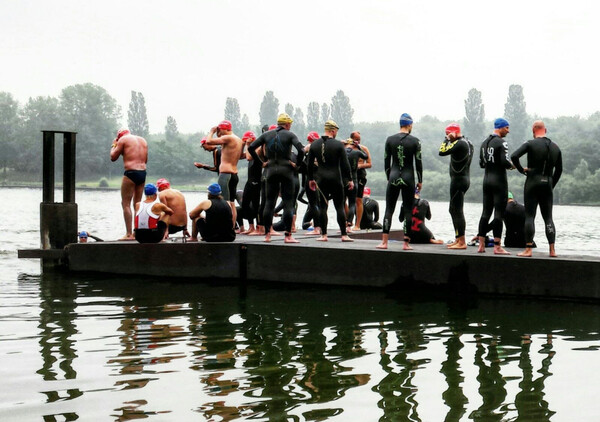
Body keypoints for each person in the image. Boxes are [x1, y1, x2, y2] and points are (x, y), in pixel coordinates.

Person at [248, 113, 304, 243]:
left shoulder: (266, 135)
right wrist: (297, 165)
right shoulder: (290, 135)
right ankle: (288, 236)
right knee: (288, 202)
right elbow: (301, 150)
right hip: (286, 169)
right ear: (288, 124)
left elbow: (251, 148)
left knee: (269, 202)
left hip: (271, 169)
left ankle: (267, 235)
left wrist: (261, 162)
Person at [511, 120, 563, 257]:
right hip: (547, 183)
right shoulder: (555, 147)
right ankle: (552, 250)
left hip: (532, 182)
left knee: (530, 216)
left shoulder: (530, 143)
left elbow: (514, 156)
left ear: (534, 130)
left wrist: (522, 170)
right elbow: (559, 170)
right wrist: (551, 184)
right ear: (545, 130)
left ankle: (528, 249)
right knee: (548, 218)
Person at [377, 113, 423, 250]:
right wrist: (420, 181)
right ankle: (406, 243)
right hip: (409, 178)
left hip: (393, 177)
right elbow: (418, 163)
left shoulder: (390, 140)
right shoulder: (415, 141)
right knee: (408, 210)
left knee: (389, 209)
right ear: (409, 125)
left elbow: (386, 162)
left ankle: (384, 242)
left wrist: (388, 177)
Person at [307, 120, 354, 242]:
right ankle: (344, 235)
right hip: (336, 179)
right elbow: (345, 164)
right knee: (339, 206)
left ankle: (324, 235)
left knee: (323, 207)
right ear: (333, 131)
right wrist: (350, 179)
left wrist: (311, 179)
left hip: (321, 179)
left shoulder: (315, 144)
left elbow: (309, 164)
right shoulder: (338, 145)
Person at [476, 118, 514, 254]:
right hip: (499, 181)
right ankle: (497, 246)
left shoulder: (484, 143)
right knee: (499, 213)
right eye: (507, 128)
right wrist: (512, 166)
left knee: (485, 212)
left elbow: (481, 163)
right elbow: (505, 161)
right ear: (500, 127)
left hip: (486, 181)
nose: (508, 131)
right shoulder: (502, 143)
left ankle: (481, 245)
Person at [439, 123, 473, 249]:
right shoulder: (467, 142)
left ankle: (462, 242)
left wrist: (446, 140)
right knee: (453, 209)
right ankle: (458, 238)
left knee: (457, 210)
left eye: (447, 134)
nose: (447, 137)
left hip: (459, 180)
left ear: (453, 132)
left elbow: (441, 151)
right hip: (461, 179)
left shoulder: (460, 143)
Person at [110, 128, 148, 240]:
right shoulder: (143, 140)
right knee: (138, 204)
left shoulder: (123, 140)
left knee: (125, 204)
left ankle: (128, 234)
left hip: (131, 172)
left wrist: (114, 145)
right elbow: (146, 160)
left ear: (119, 137)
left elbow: (113, 157)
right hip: (142, 173)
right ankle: (138, 233)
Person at [205, 120, 244, 228]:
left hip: (225, 174)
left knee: (225, 202)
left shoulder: (228, 138)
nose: (219, 132)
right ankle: (232, 227)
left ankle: (226, 227)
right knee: (232, 203)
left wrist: (212, 131)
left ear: (224, 129)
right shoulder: (238, 140)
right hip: (234, 175)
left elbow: (208, 141)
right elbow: (241, 156)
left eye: (220, 130)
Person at [240, 131, 262, 235]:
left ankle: (258, 228)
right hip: (250, 180)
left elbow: (248, 157)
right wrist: (243, 145)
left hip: (256, 181)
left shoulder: (258, 149)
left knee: (255, 204)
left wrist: (248, 145)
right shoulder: (250, 149)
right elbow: (241, 156)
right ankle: (251, 226)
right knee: (245, 203)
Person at [344, 138, 368, 231]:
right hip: (354, 181)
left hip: (343, 180)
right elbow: (365, 156)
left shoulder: (341, 151)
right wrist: (359, 147)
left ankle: (344, 223)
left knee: (342, 203)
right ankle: (350, 223)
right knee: (352, 203)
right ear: (354, 145)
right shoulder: (356, 152)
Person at [352, 131, 372, 231]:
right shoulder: (347, 148)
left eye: (359, 140)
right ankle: (347, 222)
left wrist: (360, 165)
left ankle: (357, 224)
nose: (357, 142)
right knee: (346, 199)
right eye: (356, 140)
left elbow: (369, 163)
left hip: (360, 175)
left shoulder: (363, 149)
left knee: (358, 199)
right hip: (350, 175)